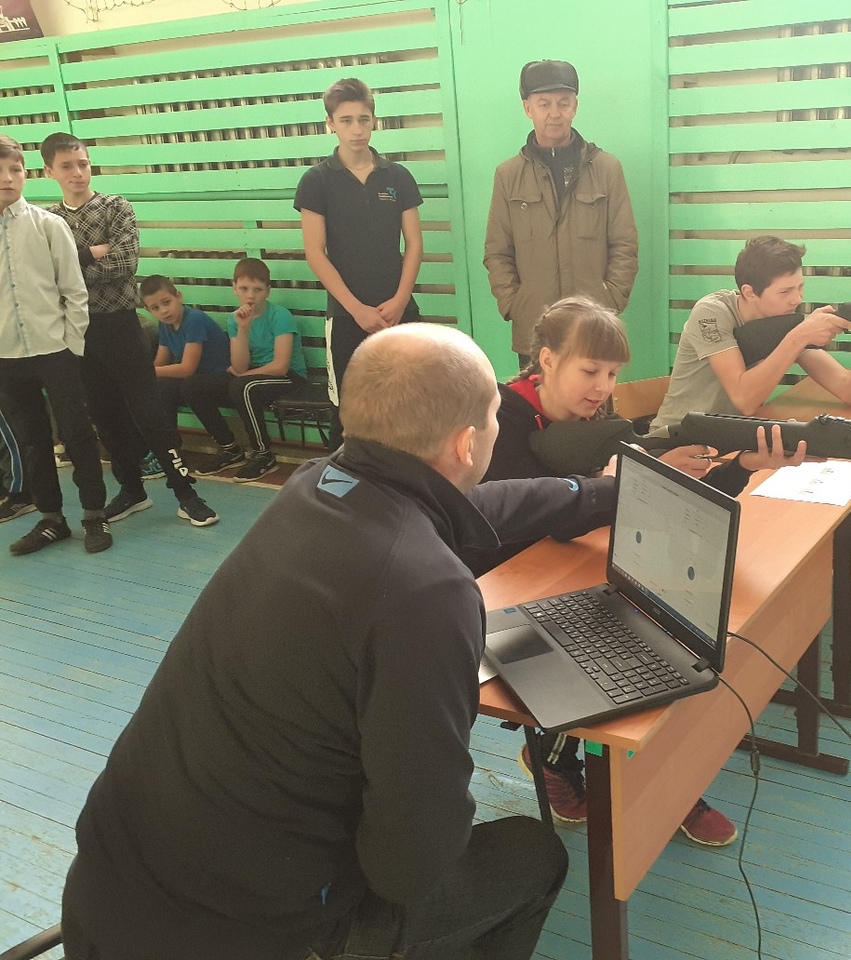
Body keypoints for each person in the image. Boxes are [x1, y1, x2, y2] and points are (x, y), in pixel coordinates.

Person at [61, 323, 622, 960]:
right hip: (241, 934)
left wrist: (599, 492)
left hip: (110, 887)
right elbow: (410, 867)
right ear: (467, 443)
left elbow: (471, 511)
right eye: (495, 414)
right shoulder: (426, 590)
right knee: (531, 855)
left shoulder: (319, 485)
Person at [481, 295, 805, 846]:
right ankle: (564, 758)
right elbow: (545, 520)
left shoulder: (591, 419)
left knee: (667, 626)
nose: (602, 388)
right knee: (620, 636)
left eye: (612, 374)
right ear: (547, 360)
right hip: (504, 580)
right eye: (590, 371)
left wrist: (740, 466)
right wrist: (634, 475)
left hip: (573, 565)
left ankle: (657, 770)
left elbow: (657, 500)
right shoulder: (501, 420)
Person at [40, 132, 218, 529]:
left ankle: (186, 493)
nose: (77, 172)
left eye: (83, 163)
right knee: (104, 416)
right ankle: (132, 490)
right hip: (78, 332)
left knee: (149, 413)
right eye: (67, 166)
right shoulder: (48, 221)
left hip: (121, 326)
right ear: (49, 171)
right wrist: (90, 254)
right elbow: (45, 277)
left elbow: (124, 263)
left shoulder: (115, 206)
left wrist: (70, 269)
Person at [648, 235, 851, 437]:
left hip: (724, 442)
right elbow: (745, 399)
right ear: (749, 292)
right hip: (674, 442)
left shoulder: (784, 323)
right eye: (785, 291)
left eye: (800, 287)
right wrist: (799, 337)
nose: (797, 299)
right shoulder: (711, 313)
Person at [295, 76, 424, 446]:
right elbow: (315, 253)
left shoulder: (397, 176)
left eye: (363, 119)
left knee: (411, 406)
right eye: (346, 120)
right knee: (348, 415)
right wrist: (356, 310)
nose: (356, 129)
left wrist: (400, 300)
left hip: (398, 311)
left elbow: (414, 244)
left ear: (374, 121)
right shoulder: (316, 181)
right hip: (346, 316)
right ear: (330, 123)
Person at [484, 60, 638, 364]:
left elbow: (625, 245)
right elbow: (497, 252)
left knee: (593, 394)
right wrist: (515, 304)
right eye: (544, 104)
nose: (554, 113)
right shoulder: (508, 175)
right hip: (534, 330)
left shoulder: (606, 169)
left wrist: (609, 301)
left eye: (563, 103)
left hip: (593, 325)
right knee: (534, 397)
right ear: (528, 108)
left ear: (575, 107)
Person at [0, 134, 111, 554]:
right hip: (7, 355)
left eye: (15, 169)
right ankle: (51, 519)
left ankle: (94, 515)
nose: (8, 178)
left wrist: (71, 346)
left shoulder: (48, 225)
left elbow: (74, 290)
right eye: (0, 171)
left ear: (26, 173)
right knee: (32, 439)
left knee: (77, 434)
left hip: (55, 351)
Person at [141, 275, 243, 478]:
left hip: (223, 378)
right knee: (161, 386)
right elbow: (160, 363)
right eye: (155, 308)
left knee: (188, 385)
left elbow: (187, 368)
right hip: (197, 381)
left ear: (178, 296)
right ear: (148, 310)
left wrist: (146, 372)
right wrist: (143, 376)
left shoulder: (194, 320)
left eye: (166, 302)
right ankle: (169, 450)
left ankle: (230, 448)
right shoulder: (164, 326)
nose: (164, 311)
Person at [223, 257, 308, 482]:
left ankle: (263, 454)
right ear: (234, 288)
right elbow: (239, 366)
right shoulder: (234, 319)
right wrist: (243, 329)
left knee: (242, 386)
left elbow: (280, 367)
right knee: (196, 386)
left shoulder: (280, 316)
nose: (250, 296)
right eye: (244, 289)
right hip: (255, 375)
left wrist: (243, 376)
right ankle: (229, 448)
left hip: (290, 377)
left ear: (268, 291)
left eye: (258, 289)